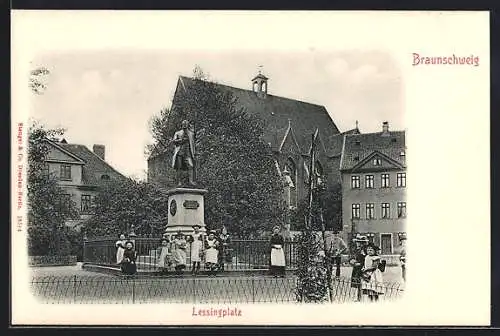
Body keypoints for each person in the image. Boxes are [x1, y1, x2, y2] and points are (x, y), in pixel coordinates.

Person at [171, 119, 196, 186]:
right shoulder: (178, 133)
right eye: (183, 124)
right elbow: (173, 141)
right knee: (179, 167)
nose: (184, 125)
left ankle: (191, 181)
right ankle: (179, 182)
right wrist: (181, 140)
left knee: (191, 166)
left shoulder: (191, 134)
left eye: (186, 124)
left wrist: (194, 153)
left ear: (188, 125)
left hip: (188, 153)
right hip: (179, 152)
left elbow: (193, 144)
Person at [349, 234, 368, 302]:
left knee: (362, 283)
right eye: (357, 242)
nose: (358, 244)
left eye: (360, 242)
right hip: (356, 269)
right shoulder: (356, 250)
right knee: (357, 283)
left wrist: (360, 264)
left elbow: (367, 259)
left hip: (362, 268)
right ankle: (358, 297)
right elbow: (351, 257)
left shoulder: (366, 251)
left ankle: (362, 298)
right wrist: (352, 261)